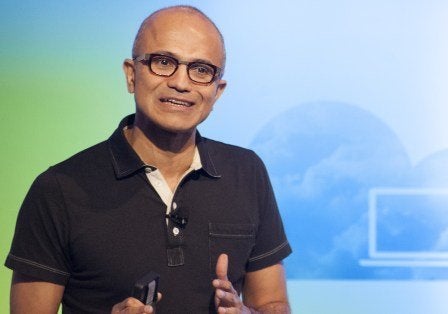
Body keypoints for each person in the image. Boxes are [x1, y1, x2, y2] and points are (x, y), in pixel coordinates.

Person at [5, 5, 292, 313]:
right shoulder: (58, 190)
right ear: (131, 74)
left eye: (201, 70)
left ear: (217, 91)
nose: (181, 83)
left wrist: (246, 312)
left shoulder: (247, 172)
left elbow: (273, 304)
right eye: (164, 62)